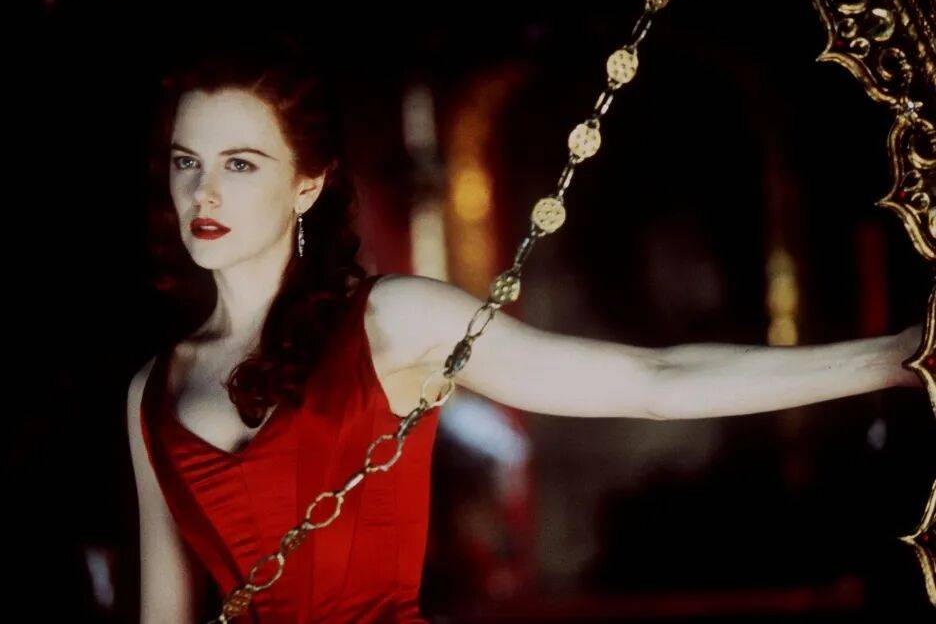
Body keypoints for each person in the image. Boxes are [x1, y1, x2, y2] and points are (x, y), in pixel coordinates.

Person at [126, 36, 924, 623]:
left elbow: (650, 382)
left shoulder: (392, 320)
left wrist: (901, 356)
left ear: (307, 185)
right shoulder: (151, 392)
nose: (204, 192)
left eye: (240, 163)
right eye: (187, 161)